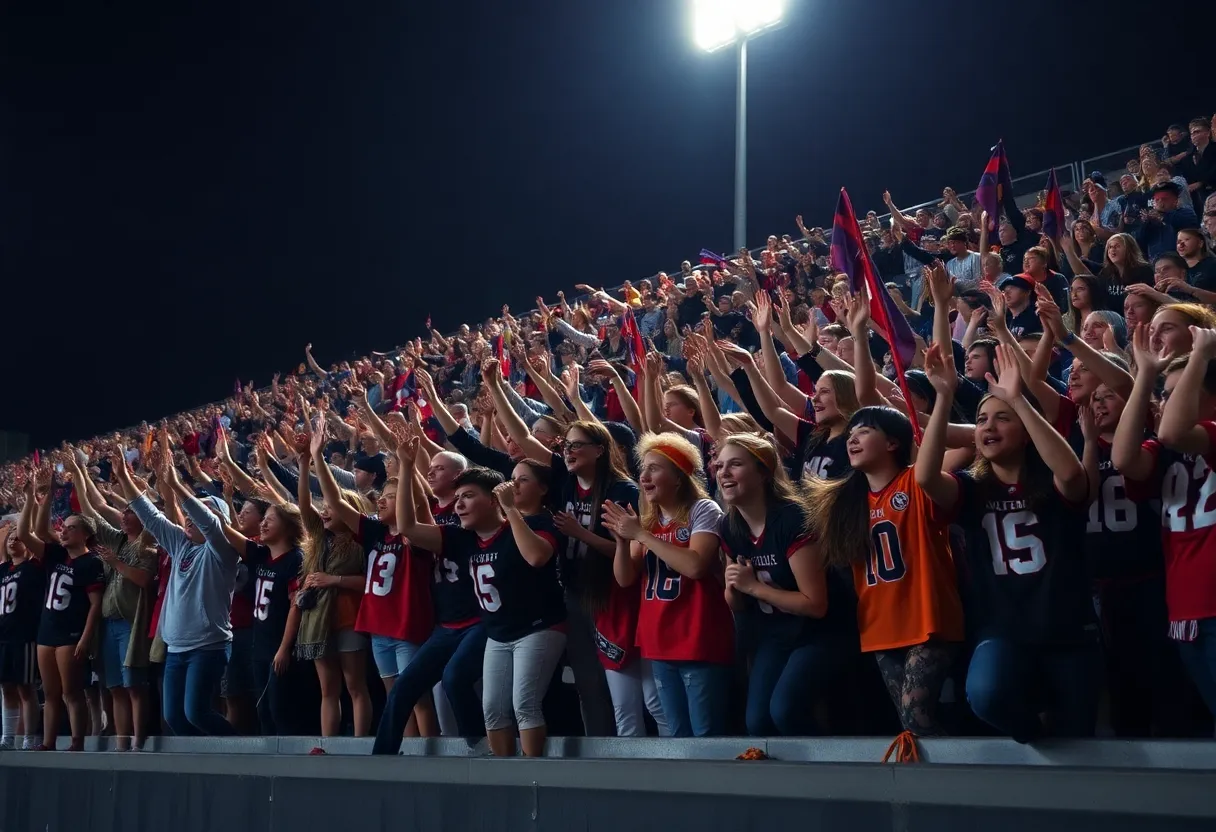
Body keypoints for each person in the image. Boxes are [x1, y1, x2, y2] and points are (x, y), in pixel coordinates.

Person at [920, 344, 1098, 742]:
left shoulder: (1053, 482)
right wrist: (945, 395)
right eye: (982, 419)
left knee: (1079, 737)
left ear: (1027, 430)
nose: (988, 427)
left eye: (1003, 419)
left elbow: (1071, 472)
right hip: (1002, 629)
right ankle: (1036, 737)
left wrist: (1016, 396)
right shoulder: (971, 487)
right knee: (986, 695)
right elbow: (926, 478)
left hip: (1067, 629)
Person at [803, 396, 963, 738]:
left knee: (916, 718)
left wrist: (939, 402)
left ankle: (958, 784)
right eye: (850, 435)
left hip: (927, 622)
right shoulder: (845, 503)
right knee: (910, 725)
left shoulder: (916, 483)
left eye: (864, 431)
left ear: (893, 443)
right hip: (880, 627)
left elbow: (968, 448)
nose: (852, 439)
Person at [395, 444, 567, 757]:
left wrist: (511, 510)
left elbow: (537, 556)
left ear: (493, 499)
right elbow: (407, 527)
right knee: (492, 710)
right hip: (498, 633)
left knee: (524, 705)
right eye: (457, 498)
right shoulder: (464, 537)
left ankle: (533, 782)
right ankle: (501, 778)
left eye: (468, 496)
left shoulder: (535, 524)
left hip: (537, 627)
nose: (459, 504)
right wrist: (407, 468)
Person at [715, 433, 852, 736]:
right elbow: (738, 602)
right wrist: (734, 588)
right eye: (720, 465)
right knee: (757, 722)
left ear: (763, 472)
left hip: (821, 632)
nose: (723, 473)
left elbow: (815, 605)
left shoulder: (793, 517)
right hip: (775, 633)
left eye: (735, 464)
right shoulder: (729, 525)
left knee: (785, 710)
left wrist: (753, 587)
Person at [1115, 324, 1216, 719]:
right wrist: (1144, 377)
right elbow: (1125, 460)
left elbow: (1174, 429)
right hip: (1184, 611)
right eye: (1164, 395)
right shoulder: (1165, 452)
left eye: (1175, 395)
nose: (1164, 403)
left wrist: (1199, 357)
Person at [603, 433, 732, 737]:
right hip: (658, 639)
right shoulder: (647, 520)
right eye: (643, 468)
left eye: (654, 468)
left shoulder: (703, 509)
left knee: (706, 733)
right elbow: (625, 579)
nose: (644, 476)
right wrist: (623, 543)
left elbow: (696, 565)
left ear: (678, 477)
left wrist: (642, 536)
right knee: (676, 734)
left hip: (698, 637)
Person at [116, 447, 239, 737]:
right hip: (176, 649)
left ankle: (238, 749)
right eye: (188, 515)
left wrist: (174, 485)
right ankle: (205, 764)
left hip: (208, 647)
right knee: (174, 717)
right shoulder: (181, 544)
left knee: (196, 712)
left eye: (195, 515)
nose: (188, 519)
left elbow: (210, 524)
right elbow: (152, 518)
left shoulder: (224, 552)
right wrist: (124, 477)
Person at [66, 452, 156, 750]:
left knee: (134, 687)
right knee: (115, 687)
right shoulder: (116, 538)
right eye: (125, 511)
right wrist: (80, 470)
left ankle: (139, 744)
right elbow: (93, 507)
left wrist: (116, 564)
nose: (124, 515)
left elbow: (143, 580)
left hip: (132, 625)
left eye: (130, 511)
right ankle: (121, 743)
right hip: (110, 624)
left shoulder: (149, 547)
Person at [16, 471, 105, 751]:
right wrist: (35, 498)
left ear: (85, 535)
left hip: (70, 633)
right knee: (51, 694)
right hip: (47, 631)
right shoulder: (56, 554)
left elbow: (95, 605)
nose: (64, 530)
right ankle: (48, 741)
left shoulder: (92, 562)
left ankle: (77, 742)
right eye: (63, 526)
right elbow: (28, 532)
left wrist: (85, 638)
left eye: (71, 527)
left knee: (71, 692)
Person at [294, 435, 372, 737]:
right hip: (317, 623)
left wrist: (334, 580)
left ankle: (360, 743)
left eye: (331, 508)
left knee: (355, 685)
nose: (324, 512)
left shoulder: (360, 543)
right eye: (323, 507)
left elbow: (370, 583)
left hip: (349, 619)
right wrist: (304, 465)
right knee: (328, 689)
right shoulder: (319, 539)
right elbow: (303, 505)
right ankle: (328, 746)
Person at [213, 501, 306, 736]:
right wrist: (213, 517)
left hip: (281, 648)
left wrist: (285, 648)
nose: (263, 523)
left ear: (287, 527)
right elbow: (229, 533)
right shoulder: (260, 555)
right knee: (262, 708)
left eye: (270, 519)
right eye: (263, 519)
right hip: (259, 647)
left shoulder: (296, 559)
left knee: (279, 708)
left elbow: (296, 607)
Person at [0, 512, 45, 749]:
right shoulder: (3, 570)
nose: (12, 541)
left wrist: (23, 519)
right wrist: (6, 531)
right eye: (10, 539)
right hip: (3, 637)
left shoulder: (34, 567)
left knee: (26, 688)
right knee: (7, 688)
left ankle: (29, 737)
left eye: (17, 538)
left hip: (24, 637)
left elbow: (31, 534)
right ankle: (7, 737)